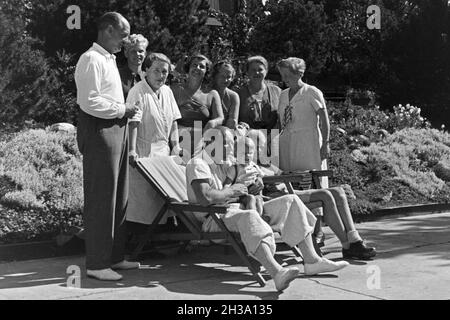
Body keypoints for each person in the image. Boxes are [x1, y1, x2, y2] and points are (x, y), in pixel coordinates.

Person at [186, 126, 348, 292]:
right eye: (227, 144)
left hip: (239, 206)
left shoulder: (224, 162)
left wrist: (255, 184)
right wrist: (233, 191)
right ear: (210, 143)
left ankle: (312, 261)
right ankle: (277, 272)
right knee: (249, 216)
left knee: (290, 201)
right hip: (215, 218)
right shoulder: (198, 163)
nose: (232, 148)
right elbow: (205, 198)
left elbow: (242, 179)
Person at [75, 12, 141, 281]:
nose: (125, 41)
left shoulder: (109, 60)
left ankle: (114, 256)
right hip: (100, 131)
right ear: (108, 30)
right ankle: (97, 262)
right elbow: (89, 102)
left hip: (116, 129)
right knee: (102, 197)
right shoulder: (90, 59)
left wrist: (125, 112)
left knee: (119, 195)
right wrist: (122, 108)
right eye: (123, 34)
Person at [251, 130, 377, 260]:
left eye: (264, 144)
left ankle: (354, 238)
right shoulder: (252, 166)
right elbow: (256, 188)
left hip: (289, 191)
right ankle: (348, 246)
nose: (263, 147)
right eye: (259, 144)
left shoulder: (267, 164)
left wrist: (298, 174)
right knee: (325, 195)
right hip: (279, 197)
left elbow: (283, 175)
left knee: (338, 192)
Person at [277, 57, 331, 246]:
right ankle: (299, 230)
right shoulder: (283, 95)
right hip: (288, 144)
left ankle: (318, 231)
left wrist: (325, 143)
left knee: (312, 184)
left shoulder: (311, 92)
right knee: (292, 184)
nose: (285, 79)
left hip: (308, 144)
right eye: (282, 75)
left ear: (299, 74)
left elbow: (324, 120)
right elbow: (280, 121)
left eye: (288, 75)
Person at [126, 53, 181, 226]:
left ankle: (163, 236)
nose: (161, 75)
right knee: (145, 201)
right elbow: (133, 122)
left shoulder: (167, 91)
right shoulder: (138, 91)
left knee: (164, 199)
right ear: (146, 70)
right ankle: (142, 240)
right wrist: (132, 150)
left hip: (164, 153)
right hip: (144, 153)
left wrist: (176, 146)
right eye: (156, 70)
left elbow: (173, 121)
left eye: (164, 72)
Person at [171, 54, 224, 159]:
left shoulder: (212, 94)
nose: (197, 68)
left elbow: (220, 117)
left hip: (202, 135)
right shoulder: (176, 89)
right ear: (188, 68)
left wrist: (212, 122)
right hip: (179, 135)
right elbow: (170, 117)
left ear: (206, 72)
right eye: (194, 65)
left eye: (202, 66)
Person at [238, 56, 281, 130]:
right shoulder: (239, 93)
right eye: (253, 70)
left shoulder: (277, 91)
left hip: (273, 137)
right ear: (247, 72)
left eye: (260, 69)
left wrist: (272, 137)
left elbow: (282, 119)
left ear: (266, 71)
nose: (257, 72)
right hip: (246, 137)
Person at [224, 136, 264, 216]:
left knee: (259, 200)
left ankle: (260, 216)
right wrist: (228, 190)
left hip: (255, 192)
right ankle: (253, 216)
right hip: (242, 195)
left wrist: (259, 178)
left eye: (250, 153)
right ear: (235, 155)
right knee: (251, 199)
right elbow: (227, 183)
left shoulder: (254, 166)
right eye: (243, 153)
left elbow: (261, 175)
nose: (247, 156)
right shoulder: (234, 168)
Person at [211, 61, 240, 130]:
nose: (225, 80)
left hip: (224, 132)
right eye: (222, 76)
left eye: (229, 77)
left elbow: (232, 121)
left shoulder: (233, 96)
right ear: (215, 76)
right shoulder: (207, 92)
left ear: (232, 78)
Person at [118, 34, 149, 99]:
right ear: (126, 53)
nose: (137, 54)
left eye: (140, 51)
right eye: (133, 51)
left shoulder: (148, 77)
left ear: (145, 54)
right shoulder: (117, 76)